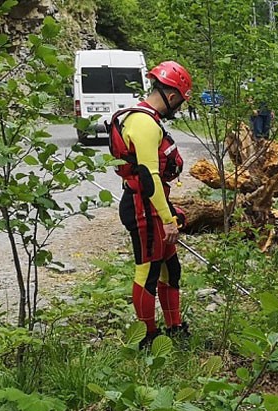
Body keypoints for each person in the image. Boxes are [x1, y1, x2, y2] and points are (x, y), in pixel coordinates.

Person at [108, 61, 193, 349]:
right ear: (172, 97)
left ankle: (175, 326)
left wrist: (168, 212)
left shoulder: (145, 118)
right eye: (180, 101)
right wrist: (168, 218)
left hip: (152, 205)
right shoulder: (144, 122)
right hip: (142, 208)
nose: (179, 107)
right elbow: (148, 176)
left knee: (171, 268)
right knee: (148, 271)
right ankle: (147, 337)